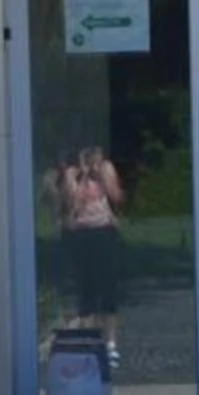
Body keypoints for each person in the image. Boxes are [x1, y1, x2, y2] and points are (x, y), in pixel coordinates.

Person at [50, 144, 128, 374]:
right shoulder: (72, 174)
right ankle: (89, 342)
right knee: (86, 289)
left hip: (104, 232)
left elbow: (116, 196)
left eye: (96, 155)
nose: (93, 159)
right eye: (88, 155)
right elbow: (72, 204)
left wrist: (102, 177)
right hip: (81, 234)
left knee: (108, 289)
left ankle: (111, 343)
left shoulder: (106, 169)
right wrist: (82, 176)